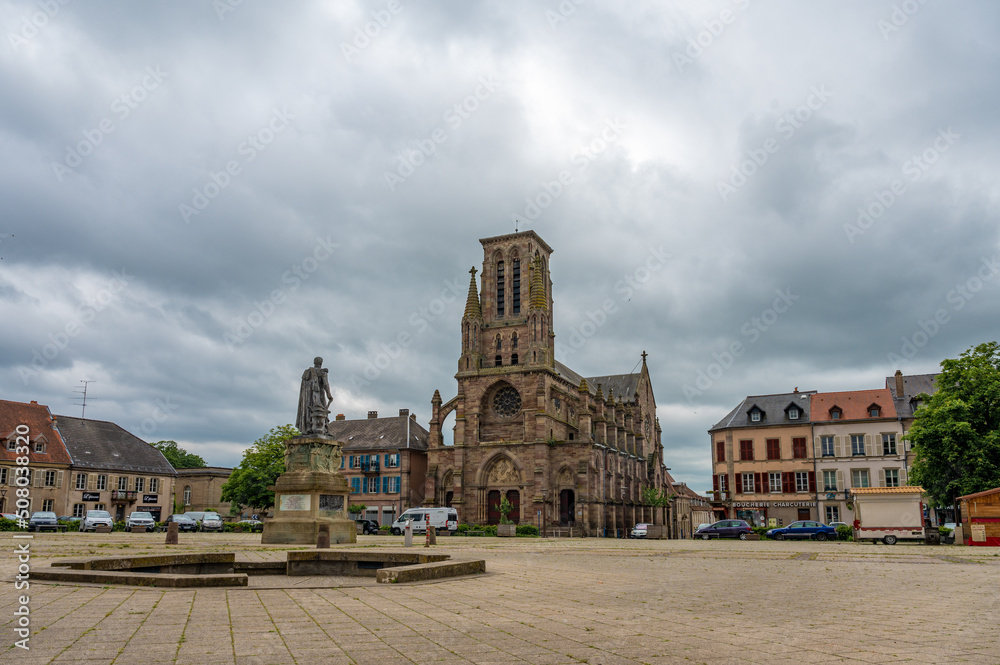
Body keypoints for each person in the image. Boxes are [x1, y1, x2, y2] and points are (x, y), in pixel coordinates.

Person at [296, 357, 333, 435]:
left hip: (307, 397)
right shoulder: (322, 372)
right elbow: (326, 384)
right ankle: (323, 429)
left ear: (314, 362)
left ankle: (307, 428)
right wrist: (329, 395)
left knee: (308, 411)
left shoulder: (307, 372)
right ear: (321, 363)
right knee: (322, 412)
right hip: (319, 396)